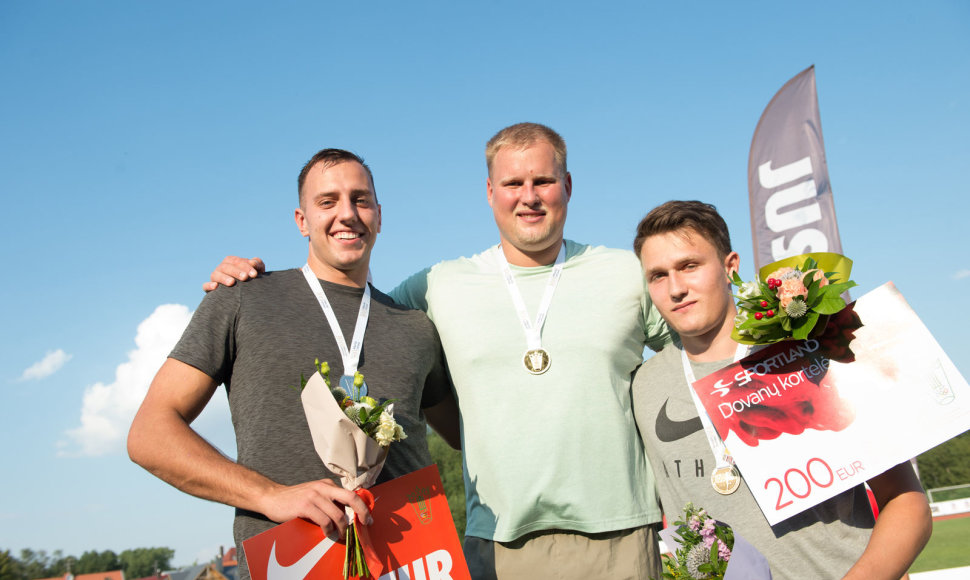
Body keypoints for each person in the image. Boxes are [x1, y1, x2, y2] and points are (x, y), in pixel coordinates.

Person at [207, 123, 672, 580]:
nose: (528, 196)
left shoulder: (630, 273)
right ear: (490, 191)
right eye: (513, 183)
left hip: (623, 532)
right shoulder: (437, 287)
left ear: (567, 186)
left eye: (543, 181)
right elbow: (352, 309)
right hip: (497, 541)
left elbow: (694, 359)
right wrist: (253, 284)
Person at [127, 149, 460, 580]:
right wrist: (270, 496)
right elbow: (148, 435)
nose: (347, 214)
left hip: (416, 560)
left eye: (360, 200)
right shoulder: (242, 298)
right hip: (291, 563)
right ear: (302, 220)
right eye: (327, 202)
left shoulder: (416, 327)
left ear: (378, 214)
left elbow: (465, 434)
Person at [631, 200, 932, 580]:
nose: (675, 288)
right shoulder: (644, 386)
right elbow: (682, 522)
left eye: (689, 266)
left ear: (730, 267)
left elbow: (908, 504)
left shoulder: (804, 351)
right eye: (658, 275)